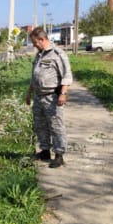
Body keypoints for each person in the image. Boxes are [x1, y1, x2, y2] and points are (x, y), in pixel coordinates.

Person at [26, 28, 73, 168]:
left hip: (52, 97)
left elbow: (67, 75)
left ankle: (59, 155)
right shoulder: (39, 55)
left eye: (35, 42)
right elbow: (35, 77)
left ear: (42, 39)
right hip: (38, 97)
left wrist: (63, 93)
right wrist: (29, 93)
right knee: (40, 125)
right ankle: (45, 151)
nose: (34, 45)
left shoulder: (57, 54)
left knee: (56, 126)